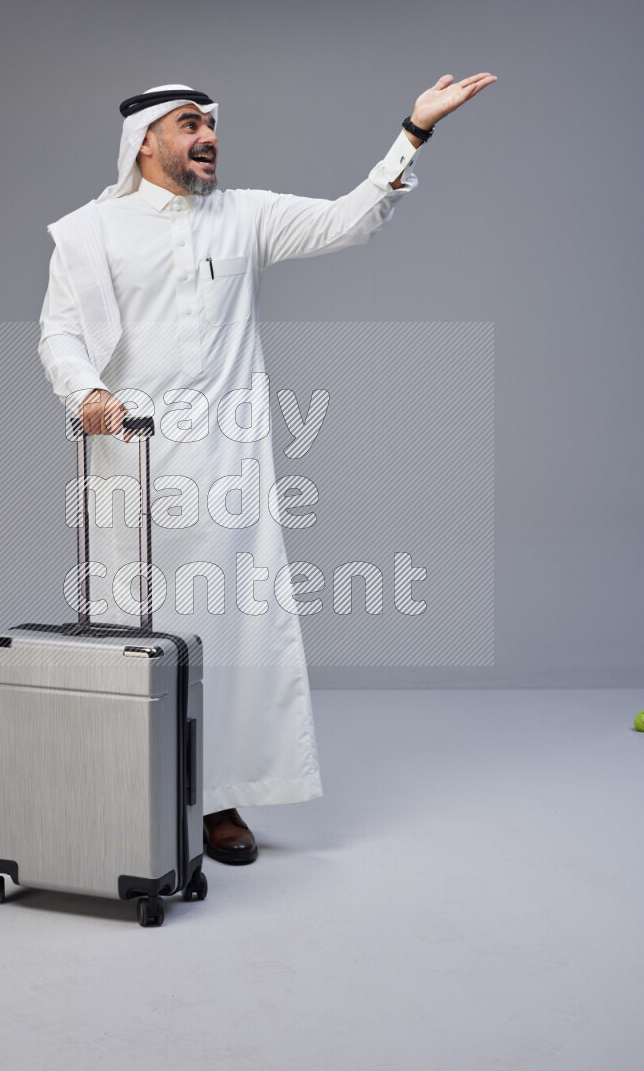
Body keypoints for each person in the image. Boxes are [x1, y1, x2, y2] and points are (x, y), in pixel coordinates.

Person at [38, 74, 497, 865]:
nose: (209, 136)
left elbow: (351, 219)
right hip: (132, 469)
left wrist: (413, 131)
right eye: (191, 125)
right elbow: (58, 333)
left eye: (212, 124)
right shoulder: (91, 232)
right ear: (146, 141)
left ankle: (218, 801)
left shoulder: (243, 215)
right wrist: (86, 390)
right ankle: (125, 791)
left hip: (227, 469)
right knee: (130, 631)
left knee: (232, 630)